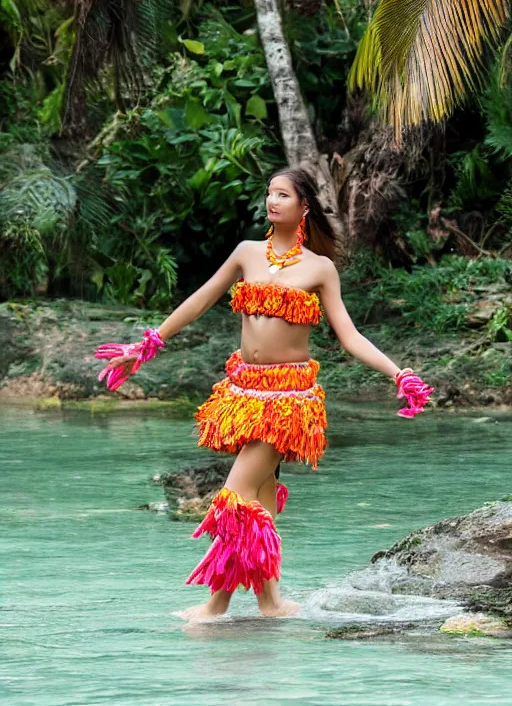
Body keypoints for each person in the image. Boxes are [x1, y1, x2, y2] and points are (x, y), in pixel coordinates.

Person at [94, 167, 432, 622]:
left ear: (303, 206)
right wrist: (145, 346)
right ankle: (271, 602)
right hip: (241, 392)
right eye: (269, 193)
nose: (272, 201)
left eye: (283, 194)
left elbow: (349, 335)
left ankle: (216, 605)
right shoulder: (247, 253)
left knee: (234, 496)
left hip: (289, 400)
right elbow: (200, 298)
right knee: (260, 499)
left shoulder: (319, 268)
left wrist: (398, 374)